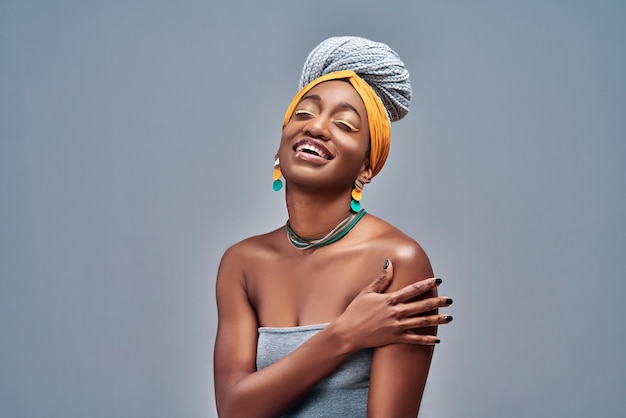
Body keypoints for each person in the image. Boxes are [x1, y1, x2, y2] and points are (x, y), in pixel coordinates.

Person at [213, 36, 453, 417]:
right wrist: (346, 335)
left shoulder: (396, 263)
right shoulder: (242, 263)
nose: (318, 127)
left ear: (367, 167)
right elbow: (234, 409)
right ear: (281, 144)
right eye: (304, 114)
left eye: (344, 124)